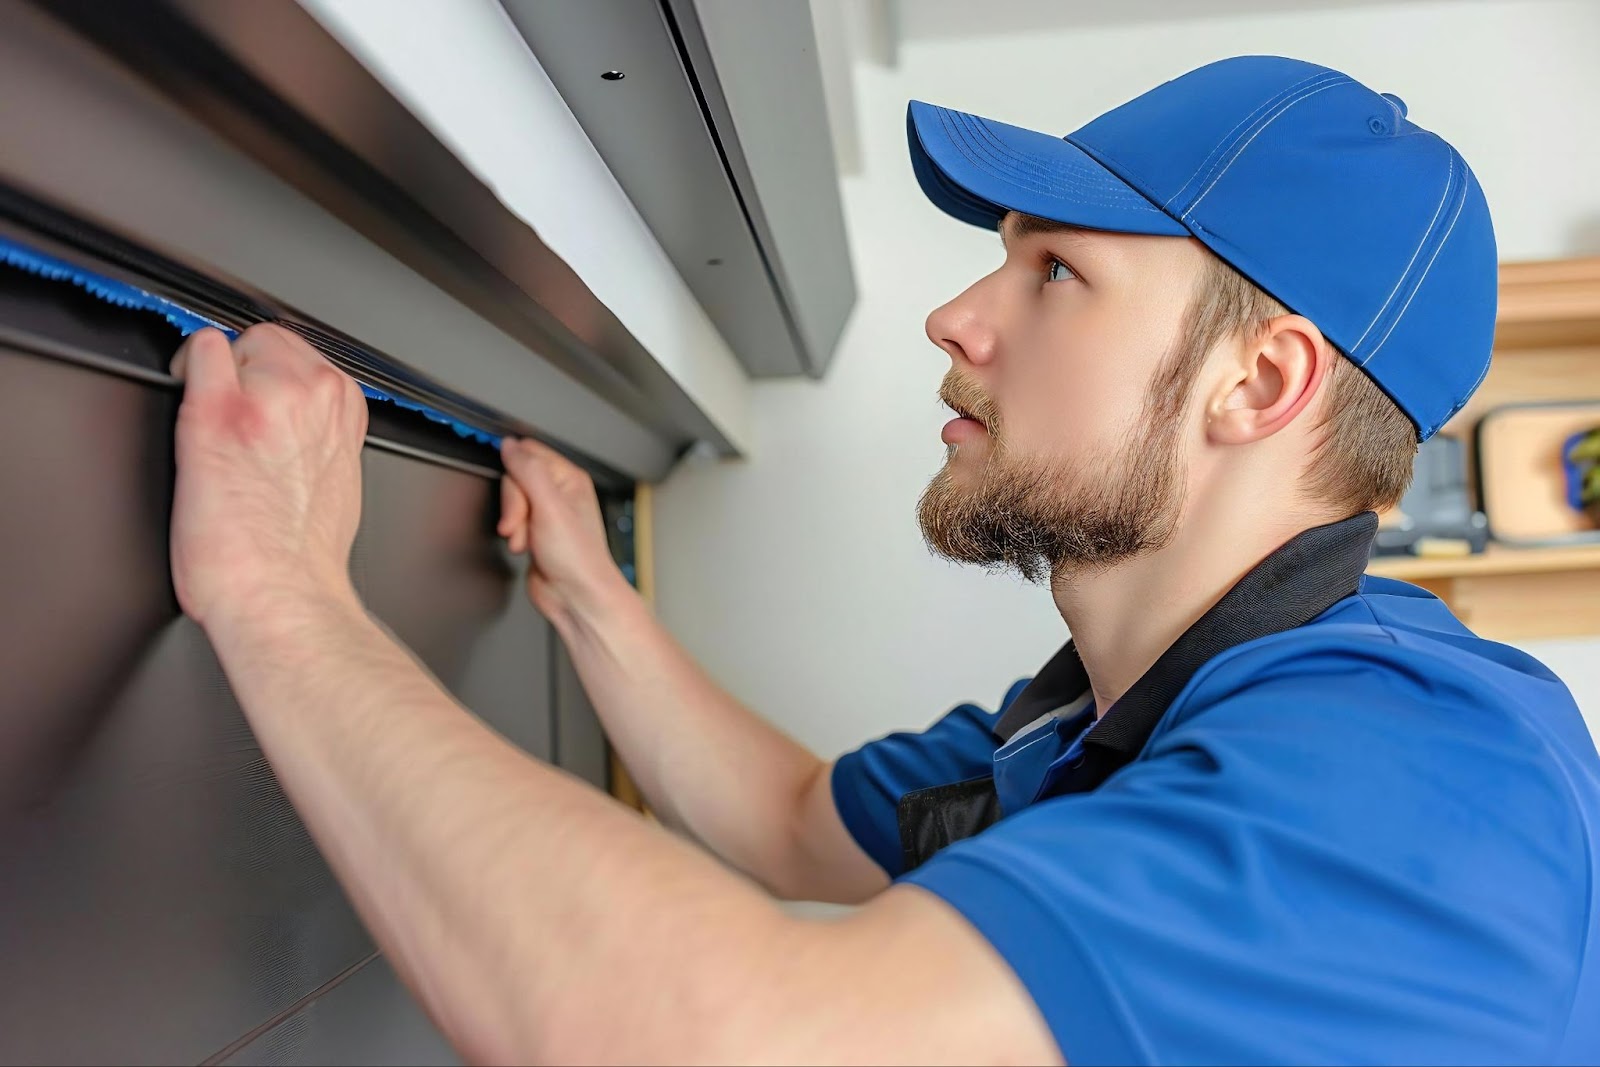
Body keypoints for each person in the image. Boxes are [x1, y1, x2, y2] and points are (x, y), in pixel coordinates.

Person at [167, 56, 1600, 1064]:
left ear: (1260, 385)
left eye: (1056, 272)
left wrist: (276, 590)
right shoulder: (1093, 729)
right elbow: (795, 821)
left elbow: (732, 1039)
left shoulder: (1421, 776)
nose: (959, 319)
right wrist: (590, 597)